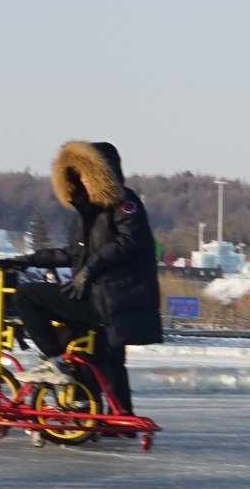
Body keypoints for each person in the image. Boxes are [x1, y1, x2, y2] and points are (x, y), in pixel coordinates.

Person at [17, 143, 164, 416]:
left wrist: (90, 269)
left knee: (27, 296)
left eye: (85, 173)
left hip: (109, 300)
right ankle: (117, 415)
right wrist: (26, 260)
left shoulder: (125, 204)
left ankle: (53, 360)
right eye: (76, 174)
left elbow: (130, 240)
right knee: (106, 358)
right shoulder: (88, 212)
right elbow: (73, 253)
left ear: (100, 173)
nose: (81, 179)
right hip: (101, 299)